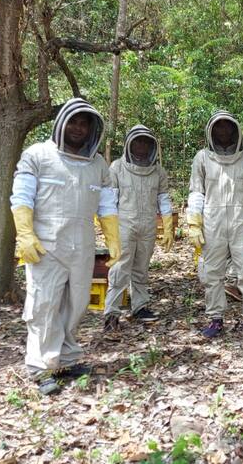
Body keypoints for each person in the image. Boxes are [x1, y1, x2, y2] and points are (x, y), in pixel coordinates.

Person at [10, 98, 121, 395]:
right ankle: (42, 367)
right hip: (45, 245)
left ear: (92, 129)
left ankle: (67, 359)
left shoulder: (98, 164)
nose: (78, 128)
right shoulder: (37, 155)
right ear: (61, 123)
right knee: (44, 305)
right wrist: (24, 234)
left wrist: (112, 238)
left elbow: (107, 203)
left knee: (77, 302)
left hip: (82, 243)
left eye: (84, 123)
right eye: (73, 121)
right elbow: (21, 197)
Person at [186, 110, 243, 339]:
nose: (222, 131)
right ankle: (216, 318)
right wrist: (194, 223)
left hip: (241, 221)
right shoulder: (201, 158)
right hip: (212, 222)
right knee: (212, 273)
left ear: (234, 130)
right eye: (218, 127)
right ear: (211, 131)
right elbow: (197, 192)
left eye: (227, 126)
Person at [102, 124, 174, 333]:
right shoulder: (116, 168)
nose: (141, 146)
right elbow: (109, 201)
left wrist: (168, 226)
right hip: (124, 225)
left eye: (145, 142)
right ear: (129, 144)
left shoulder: (158, 171)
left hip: (148, 225)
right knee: (120, 269)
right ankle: (112, 313)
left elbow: (164, 199)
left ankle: (140, 307)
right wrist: (109, 229)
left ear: (151, 146)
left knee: (141, 268)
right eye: (138, 141)